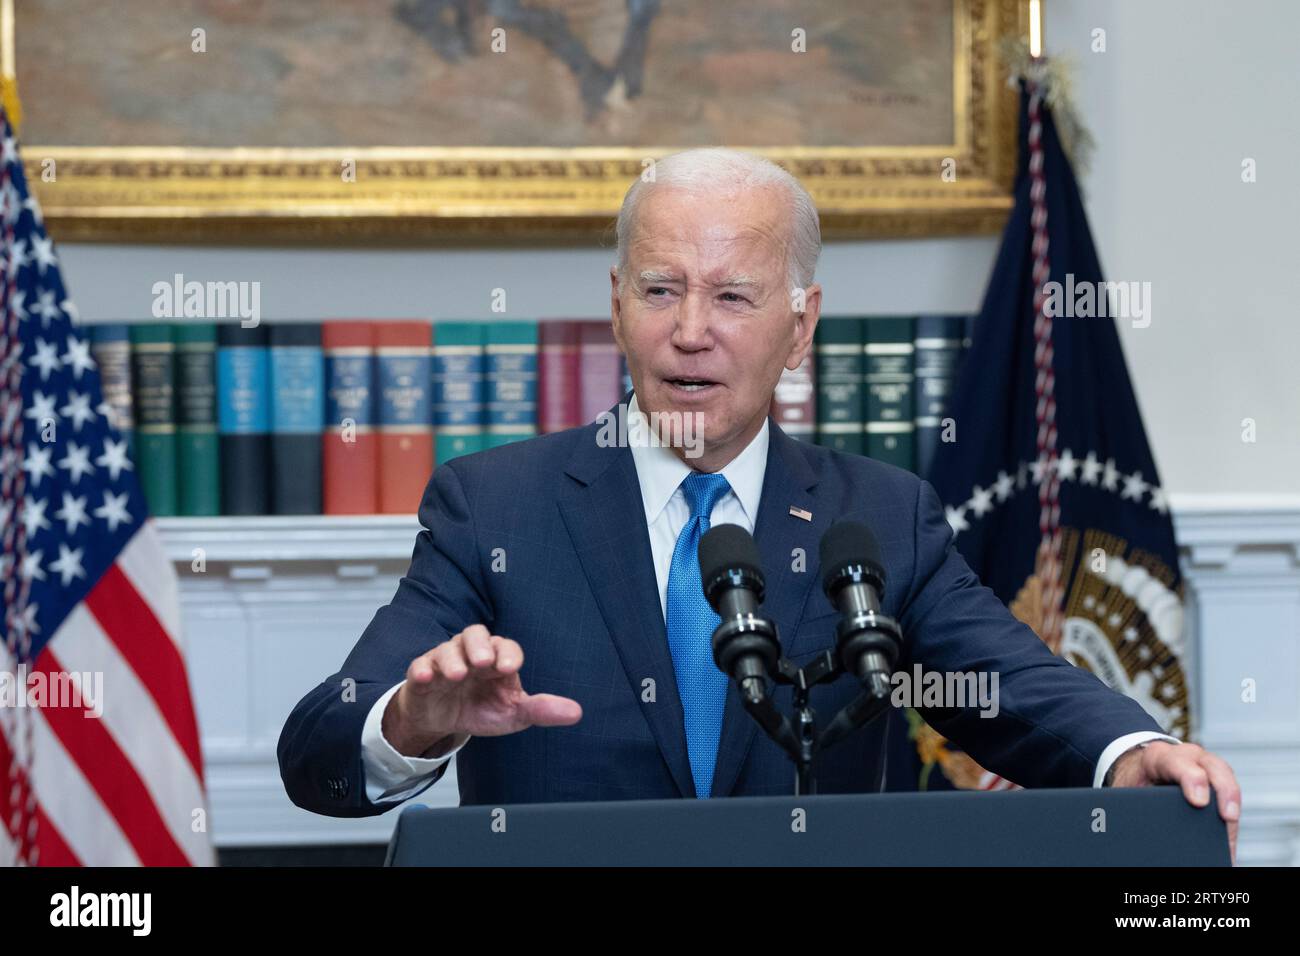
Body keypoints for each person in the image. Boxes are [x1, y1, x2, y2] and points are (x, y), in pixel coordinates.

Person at [278, 148, 1240, 859]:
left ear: (800, 325)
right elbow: (319, 749)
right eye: (660, 290)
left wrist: (1131, 752)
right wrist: (413, 719)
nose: (690, 332)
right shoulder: (494, 509)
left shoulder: (879, 518)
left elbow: (1007, 688)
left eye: (733, 297)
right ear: (617, 306)